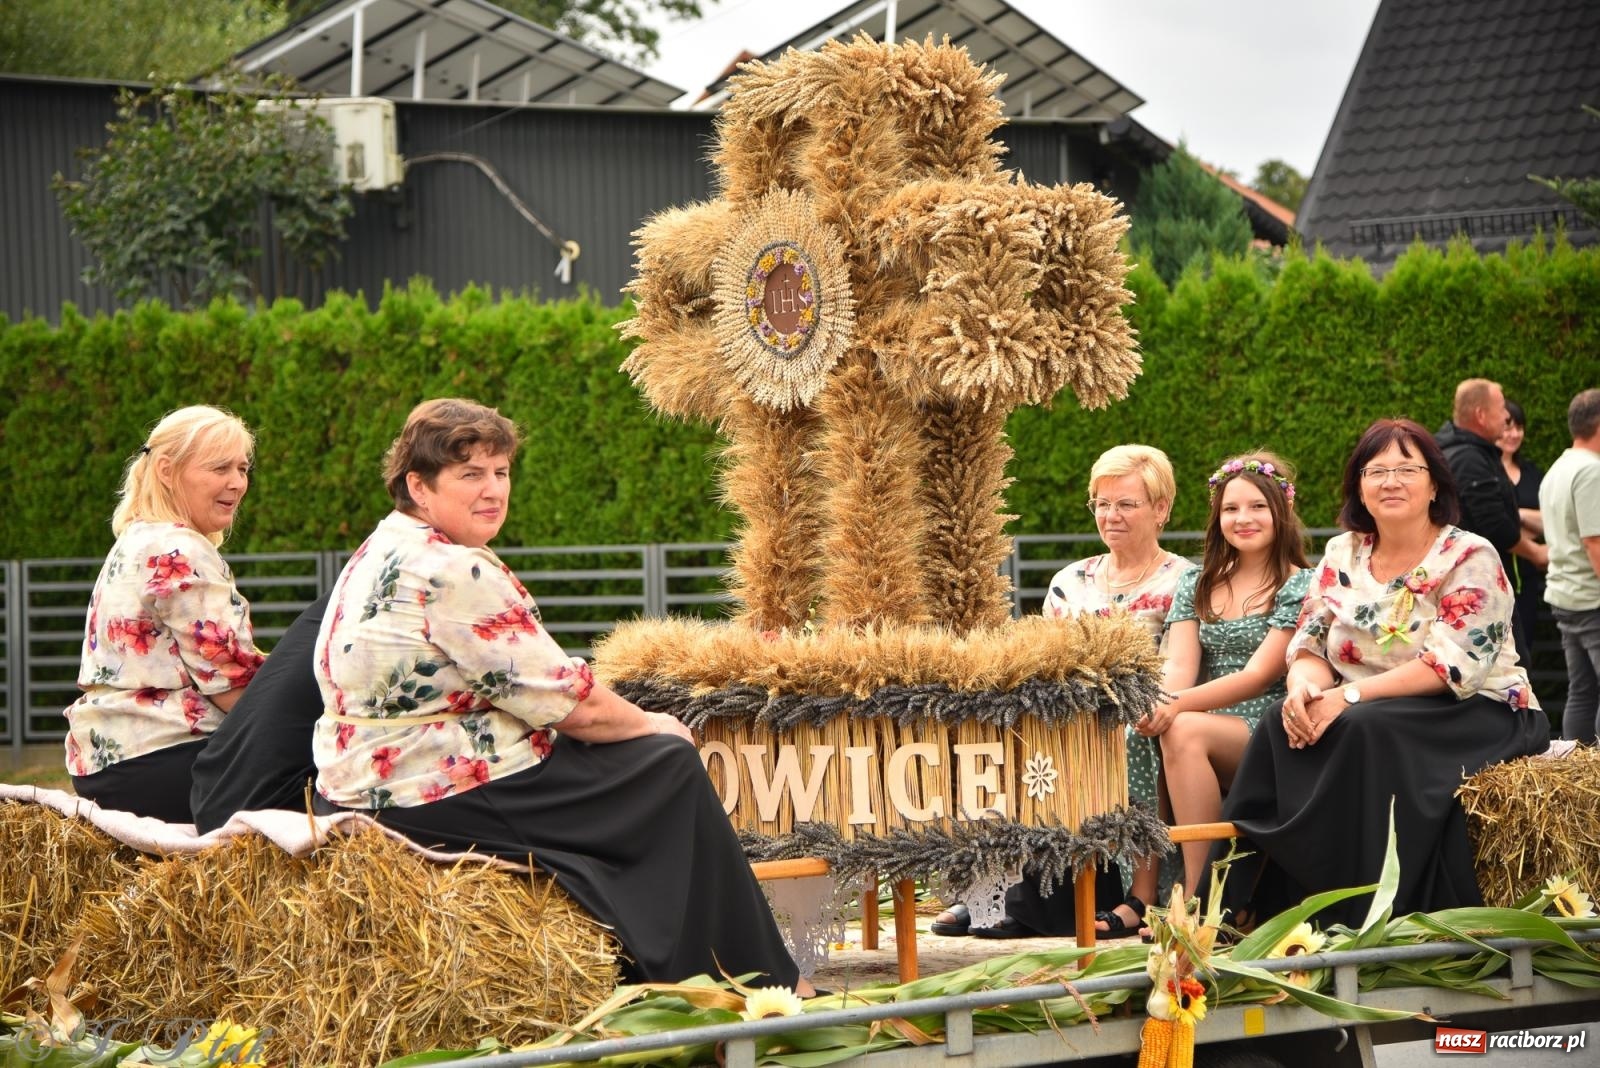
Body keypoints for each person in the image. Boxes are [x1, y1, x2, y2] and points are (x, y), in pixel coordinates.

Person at [308, 398, 804, 989]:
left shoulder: (379, 548)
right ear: (418, 484)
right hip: (432, 788)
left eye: (502, 471)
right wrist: (651, 723)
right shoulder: (452, 569)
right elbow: (576, 707)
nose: (493, 490)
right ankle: (747, 978)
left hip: (357, 779)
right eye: (471, 474)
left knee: (629, 767)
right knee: (667, 764)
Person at [1215, 419, 1548, 930]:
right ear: (1360, 487)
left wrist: (1346, 698)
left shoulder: (1470, 555)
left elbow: (1449, 666)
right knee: (1275, 727)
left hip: (1477, 708)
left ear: (1434, 484)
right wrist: (1305, 684)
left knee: (1363, 730)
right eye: (1377, 471)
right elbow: (1310, 636)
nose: (1391, 481)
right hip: (1373, 706)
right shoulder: (1342, 552)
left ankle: (1360, 911)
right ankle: (1232, 905)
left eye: (1406, 469)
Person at [937, 444, 1192, 939]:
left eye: (1125, 504)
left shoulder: (1183, 578)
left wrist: (1158, 701)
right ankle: (991, 890)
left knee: (1125, 739)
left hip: (1138, 714)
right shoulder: (1070, 580)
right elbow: (1043, 660)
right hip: (1069, 712)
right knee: (1002, 737)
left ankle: (1137, 895)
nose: (1110, 516)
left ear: (1161, 509)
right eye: (1101, 503)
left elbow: (1181, 663)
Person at [64, 405, 264, 822]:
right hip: (165, 760)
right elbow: (233, 692)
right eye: (219, 467)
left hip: (108, 763)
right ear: (168, 471)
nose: (237, 483)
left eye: (242, 468)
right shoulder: (178, 549)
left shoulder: (138, 538)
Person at [1149, 453, 1312, 900]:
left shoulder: (1300, 585)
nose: (1244, 518)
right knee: (1151, 727)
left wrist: (1178, 706)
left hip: (1267, 726)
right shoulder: (1197, 582)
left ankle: (1206, 896)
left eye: (1258, 507)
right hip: (1204, 712)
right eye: (1231, 509)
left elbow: (1260, 674)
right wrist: (1159, 702)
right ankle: (1136, 893)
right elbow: (1180, 666)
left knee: (1181, 728)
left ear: (1282, 511)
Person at [190, 591, 330, 833]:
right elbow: (226, 692)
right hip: (263, 806)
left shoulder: (338, 600)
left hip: (208, 788)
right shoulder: (374, 606)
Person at [1436, 379, 1543, 665]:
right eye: (1501, 409)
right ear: (1481, 416)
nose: (1506, 417)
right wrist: (1536, 552)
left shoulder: (1467, 452)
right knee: (1508, 664)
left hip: (1476, 582)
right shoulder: (1470, 459)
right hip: (1477, 587)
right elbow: (1494, 526)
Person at [1538, 388, 1600, 744]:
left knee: (1581, 689)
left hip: (1564, 596)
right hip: (1592, 598)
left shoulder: (1559, 467)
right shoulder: (1591, 471)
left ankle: (1580, 768)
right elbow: (1594, 541)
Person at [1498, 400, 1547, 669]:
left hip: (1527, 578)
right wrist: (1527, 520)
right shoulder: (1485, 472)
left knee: (1523, 652)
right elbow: (1490, 523)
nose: (1514, 434)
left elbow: (1550, 520)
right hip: (1497, 573)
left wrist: (1517, 516)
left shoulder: (1532, 473)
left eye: (1519, 427)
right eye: (1507, 427)